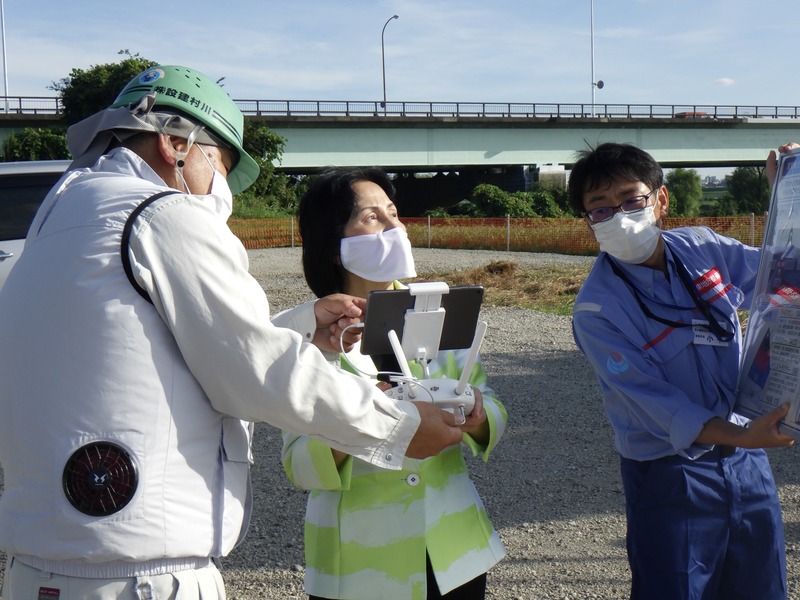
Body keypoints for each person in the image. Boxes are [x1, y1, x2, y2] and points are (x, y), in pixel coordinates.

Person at [0, 65, 465, 600]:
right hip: (141, 574)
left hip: (37, 568)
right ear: (177, 144)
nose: (220, 188)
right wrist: (398, 427)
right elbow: (255, 370)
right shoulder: (161, 214)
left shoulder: (57, 217)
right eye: (219, 165)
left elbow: (178, 348)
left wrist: (301, 324)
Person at [569, 141, 795, 600]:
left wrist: (789, 195)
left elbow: (783, 275)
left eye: (631, 199)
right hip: (670, 474)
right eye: (601, 208)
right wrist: (744, 436)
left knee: (762, 585)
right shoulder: (597, 312)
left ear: (661, 200)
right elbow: (663, 408)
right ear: (588, 221)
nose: (620, 217)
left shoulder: (702, 247)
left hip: (746, 457)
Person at [281, 167, 508, 600]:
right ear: (334, 246)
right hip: (358, 564)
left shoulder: (443, 315)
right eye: (372, 218)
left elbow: (493, 409)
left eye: (394, 213)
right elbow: (298, 463)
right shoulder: (306, 335)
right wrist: (362, 420)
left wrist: (477, 413)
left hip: (455, 552)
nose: (394, 227)